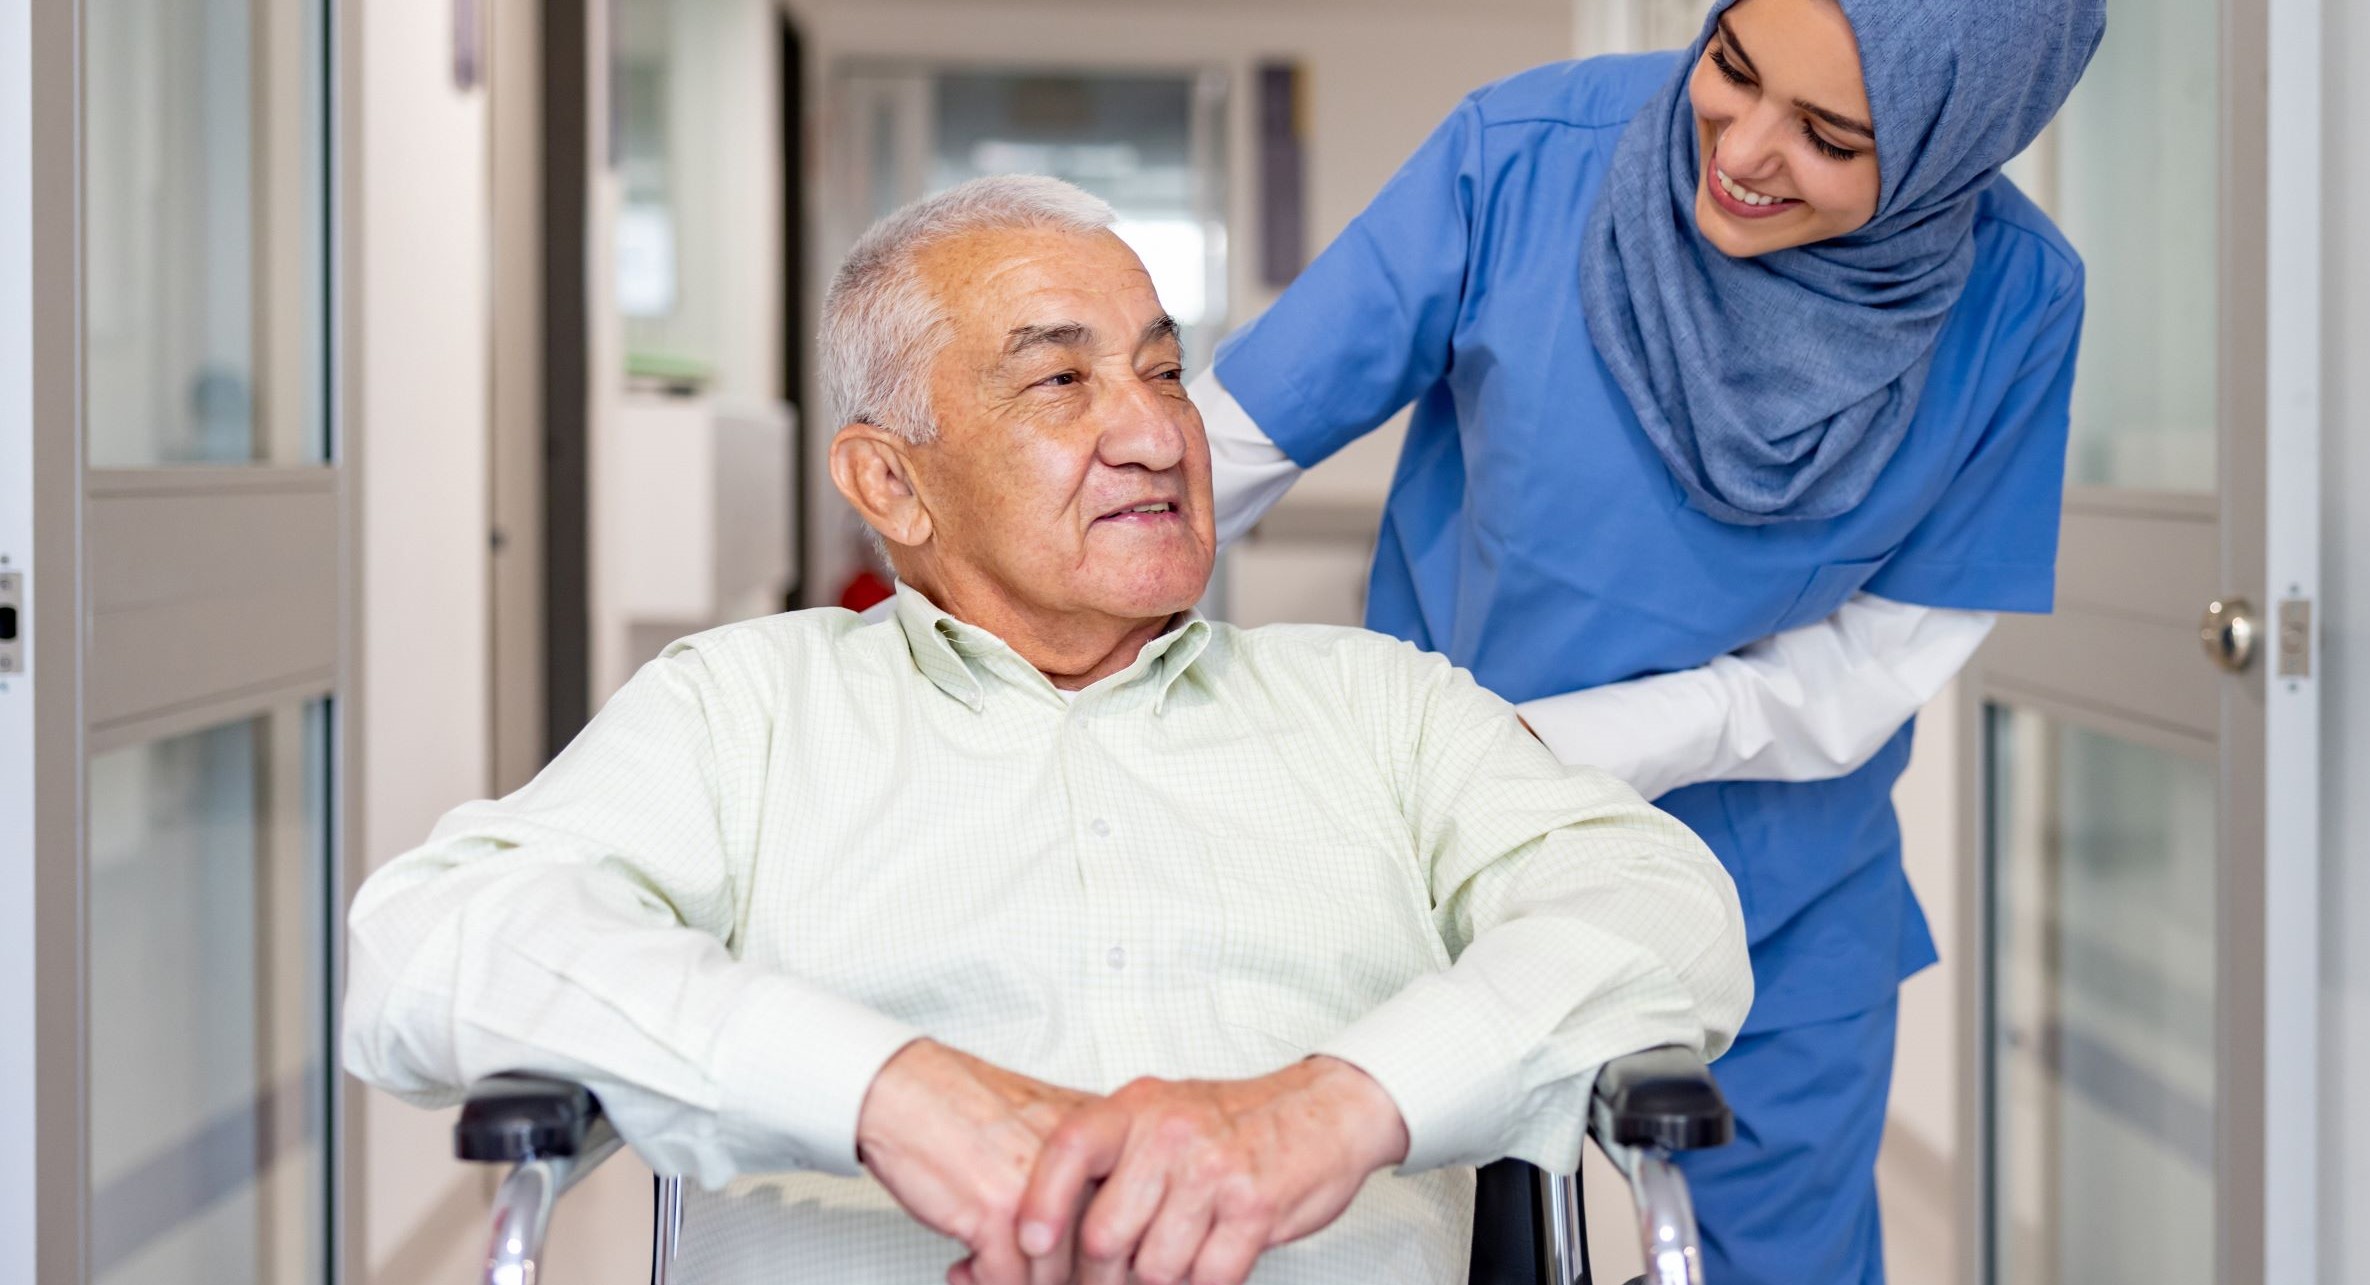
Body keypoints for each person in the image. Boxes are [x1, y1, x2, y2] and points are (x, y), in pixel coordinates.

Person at [339, 176, 1751, 1285]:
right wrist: (884, 1090)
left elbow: (1660, 910)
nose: (1155, 435)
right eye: (1062, 381)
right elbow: (423, 945)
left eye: (1163, 370)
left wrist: (1335, 1108)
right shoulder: (744, 709)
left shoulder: (1382, 706)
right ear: (890, 480)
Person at [1193, 0, 2102, 1278]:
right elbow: (1222, 448)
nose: (1739, 147)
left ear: (1957, 145)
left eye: (1830, 136)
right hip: (1439, 846)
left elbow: (1873, 668)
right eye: (1731, 65)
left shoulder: (2014, 301)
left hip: (1775, 877)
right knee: (1407, 1238)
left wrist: (1559, 741)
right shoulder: (1523, 155)